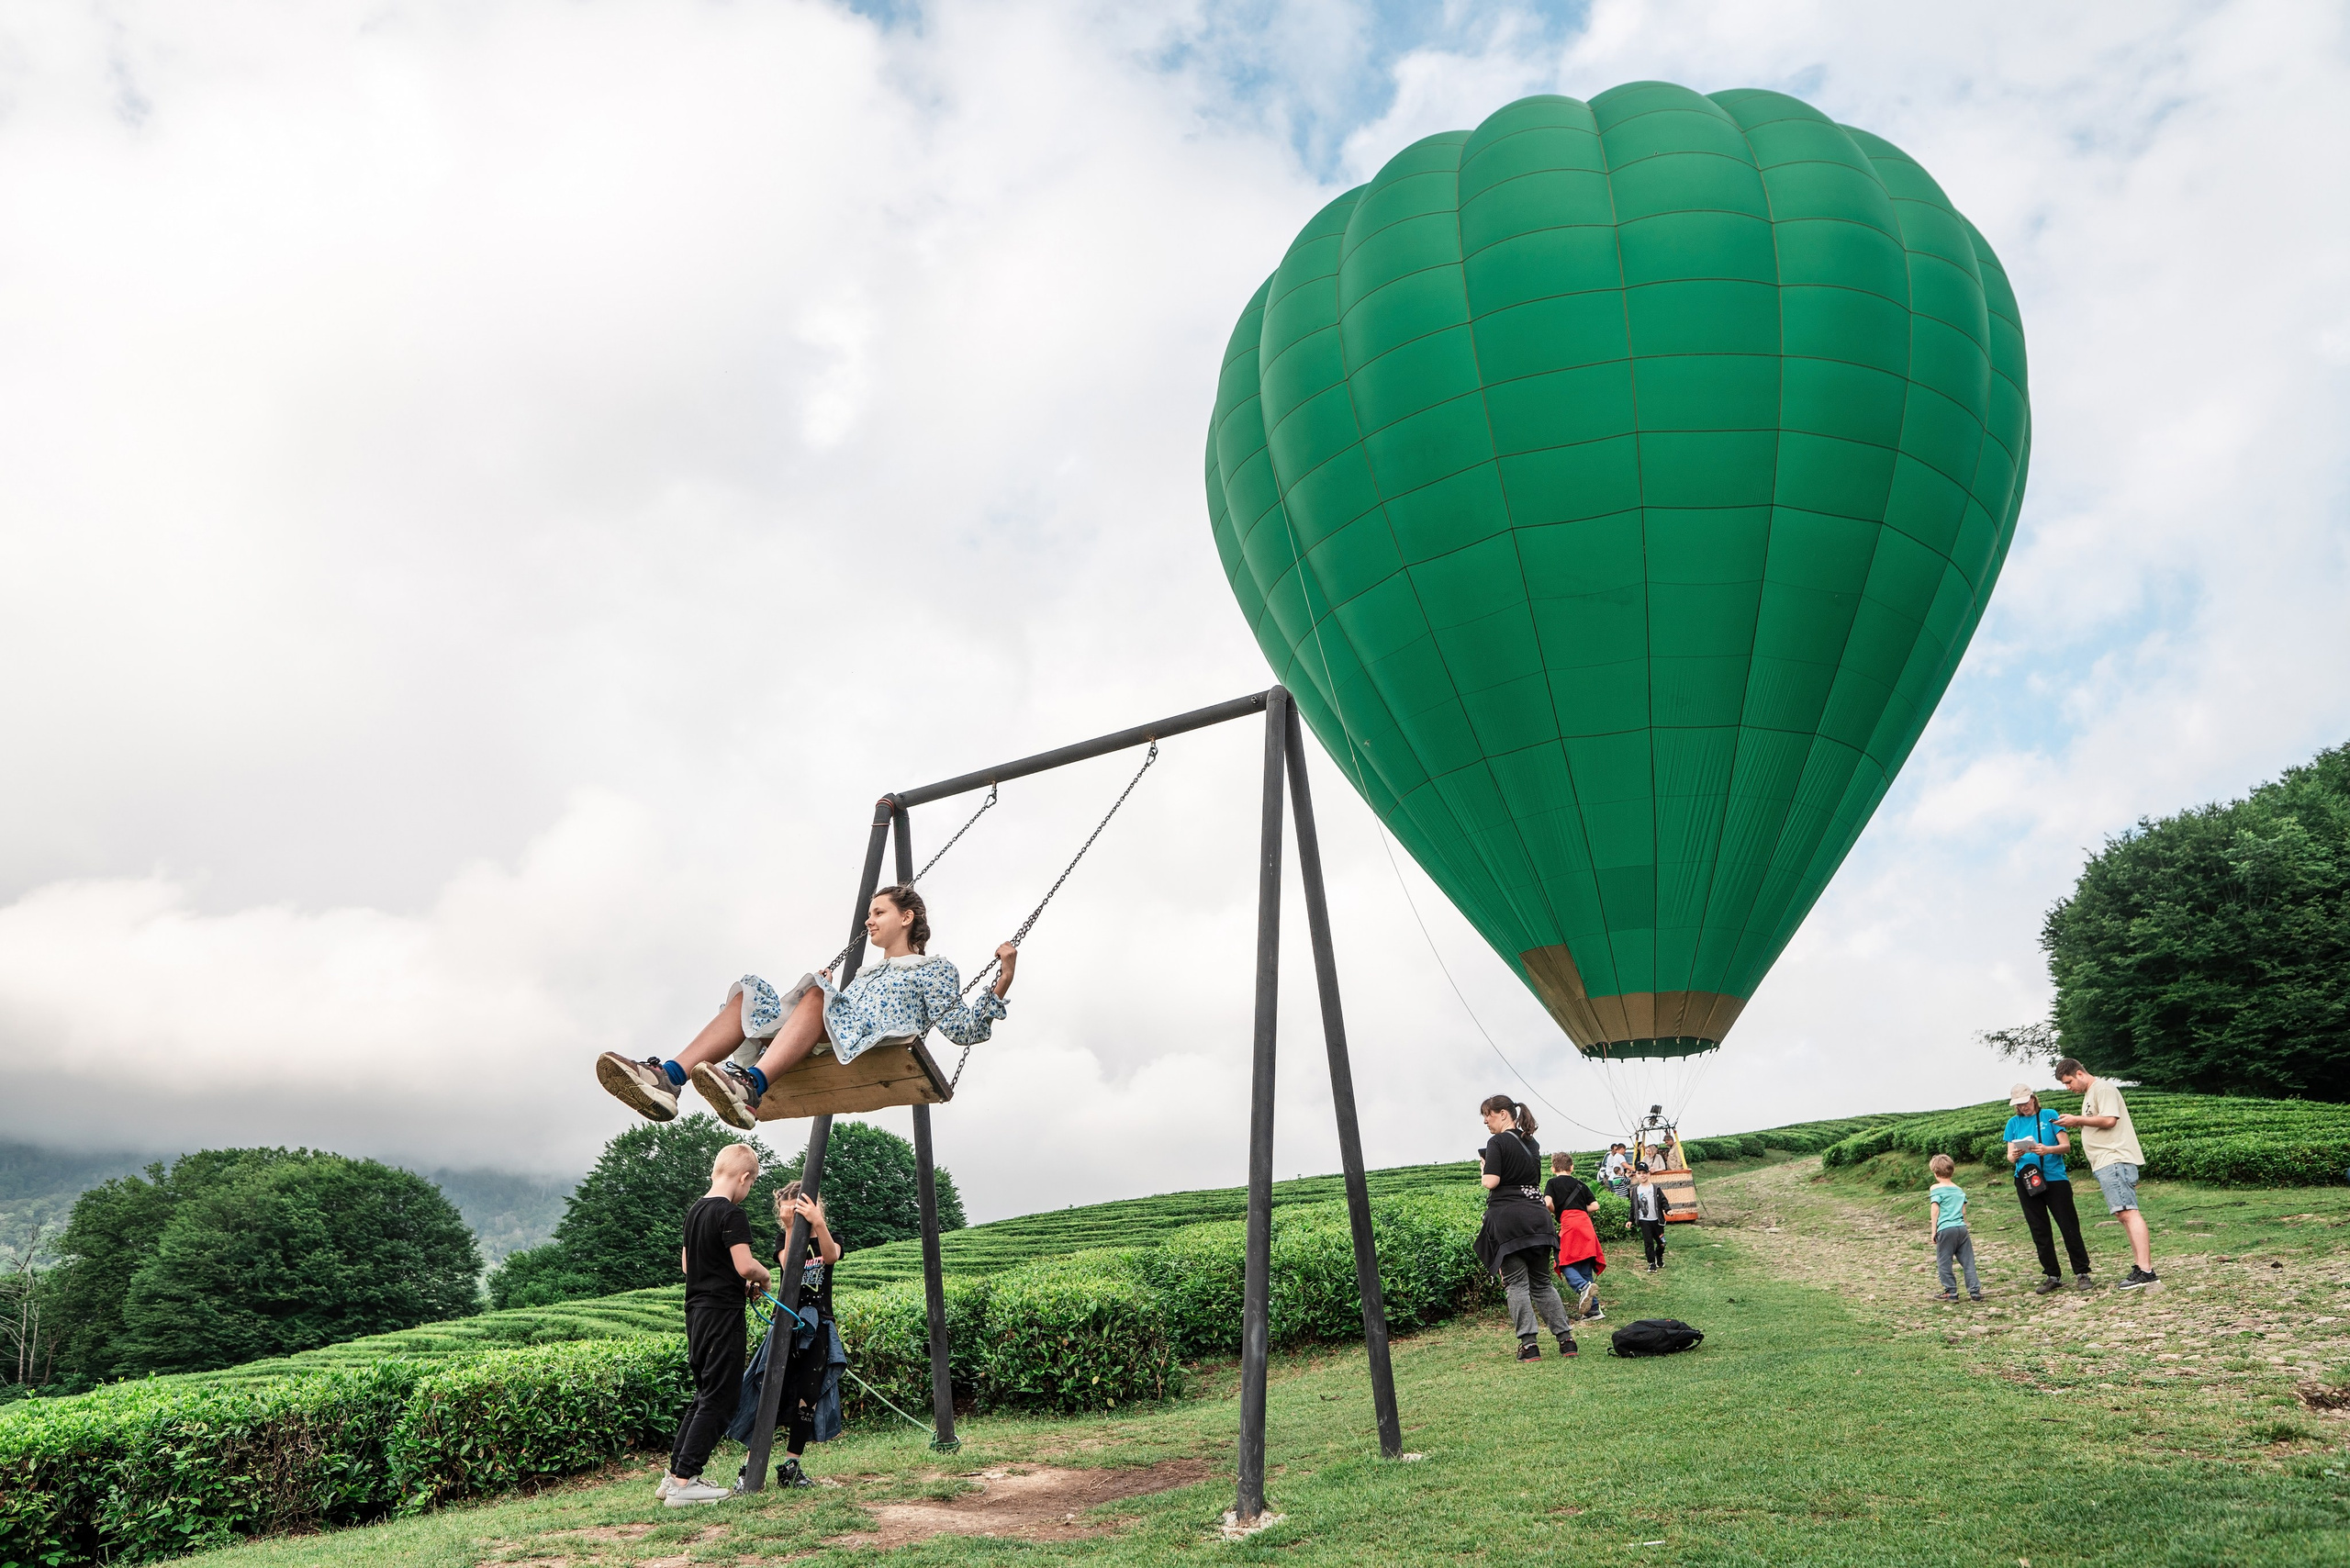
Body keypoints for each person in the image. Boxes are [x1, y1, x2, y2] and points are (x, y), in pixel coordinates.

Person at [598, 883, 1018, 1131]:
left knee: (816, 991)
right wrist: (830, 996)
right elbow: (837, 1006)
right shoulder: (867, 975)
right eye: (869, 913)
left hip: (875, 1043)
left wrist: (1002, 979)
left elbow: (965, 1031)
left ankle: (750, 1088)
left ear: (907, 917)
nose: (868, 921)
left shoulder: (934, 968)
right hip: (834, 1035)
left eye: (879, 912)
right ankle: (668, 1079)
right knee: (750, 993)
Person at [660, 1143, 771, 1507]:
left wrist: (731, 1281)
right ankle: (682, 1483)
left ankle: (677, 1474)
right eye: (750, 1184)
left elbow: (689, 1267)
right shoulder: (731, 1213)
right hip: (723, 1314)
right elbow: (744, 1265)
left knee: (705, 1393)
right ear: (745, 1177)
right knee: (721, 1398)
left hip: (697, 1313)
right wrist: (764, 1277)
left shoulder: (695, 1211)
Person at [731, 1182, 845, 1488]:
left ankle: (792, 1465)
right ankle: (750, 1467)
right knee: (770, 1391)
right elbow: (790, 1263)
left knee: (809, 1394)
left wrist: (818, 1222)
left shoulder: (827, 1236)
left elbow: (831, 1256)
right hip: (787, 1323)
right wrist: (791, 1225)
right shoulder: (784, 1238)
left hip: (819, 1324)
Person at [1471, 1094, 1577, 1361]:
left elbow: (1491, 1182)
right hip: (1538, 1218)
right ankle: (1567, 1341)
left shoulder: (1497, 1141)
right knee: (1542, 1283)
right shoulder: (1532, 1142)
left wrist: (1485, 1168)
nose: (1485, 1120)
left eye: (1488, 1115)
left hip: (1509, 1220)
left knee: (1517, 1284)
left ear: (1504, 1114)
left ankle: (1529, 1346)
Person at [2053, 1057, 2156, 1288]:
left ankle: (2147, 1270)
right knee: (2123, 1214)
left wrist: (2077, 1120)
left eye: (2069, 1082)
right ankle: (2141, 1266)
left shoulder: (2103, 1088)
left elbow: (2110, 1120)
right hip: (2105, 1161)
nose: (2068, 1088)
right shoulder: (2091, 1094)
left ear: (2080, 1073)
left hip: (2115, 1158)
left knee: (2128, 1212)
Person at [1998, 1082, 2093, 1294]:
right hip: (2026, 1180)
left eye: (2026, 1102)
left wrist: (2047, 1149)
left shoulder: (2049, 1115)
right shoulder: (2013, 1123)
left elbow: (2066, 1146)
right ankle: (2052, 1274)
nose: (2024, 1107)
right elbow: (2009, 1155)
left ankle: (2082, 1272)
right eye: (2019, 1105)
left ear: (2033, 1098)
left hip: (2054, 1178)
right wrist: (2014, 1156)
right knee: (2039, 1229)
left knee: (2068, 1225)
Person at [1545, 1152, 1606, 1321]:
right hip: (1585, 1225)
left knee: (1563, 1262)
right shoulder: (1580, 1184)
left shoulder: (1552, 1183)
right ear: (1572, 1167)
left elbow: (1548, 1202)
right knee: (1584, 1265)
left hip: (1569, 1225)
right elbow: (1595, 1206)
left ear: (1553, 1168)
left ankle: (1583, 1286)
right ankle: (1593, 1311)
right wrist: (1579, 1209)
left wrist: (1556, 1211)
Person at [1927, 1154, 1982, 1302]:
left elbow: (1935, 1210)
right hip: (1961, 1228)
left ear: (1935, 1173)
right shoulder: (1959, 1189)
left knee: (1944, 1261)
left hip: (1945, 1228)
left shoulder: (1935, 1188)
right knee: (1968, 1261)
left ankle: (1951, 1291)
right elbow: (1963, 1211)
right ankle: (1975, 1292)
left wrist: (1934, 1231)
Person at [1630, 1163, 1669, 1271]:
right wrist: (1630, 1220)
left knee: (1662, 1243)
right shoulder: (1635, 1190)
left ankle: (1659, 1256)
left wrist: (1668, 1210)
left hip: (1657, 1221)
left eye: (1644, 1173)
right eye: (1639, 1173)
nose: (1642, 1175)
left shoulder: (1656, 1189)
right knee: (1648, 1243)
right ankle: (1651, 1263)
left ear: (1648, 1174)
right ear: (1636, 1175)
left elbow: (1663, 1201)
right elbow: (1633, 1207)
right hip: (1644, 1221)